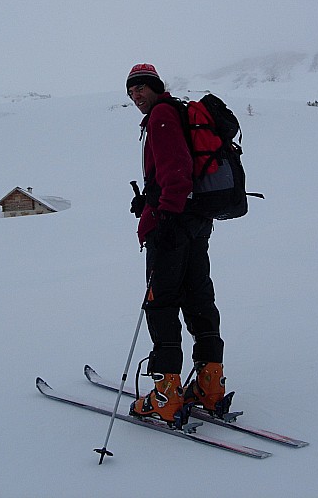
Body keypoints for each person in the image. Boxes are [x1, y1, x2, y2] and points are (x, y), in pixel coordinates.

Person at [125, 63, 228, 426]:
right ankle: (209, 385)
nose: (136, 96)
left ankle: (167, 394)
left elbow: (178, 168)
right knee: (198, 296)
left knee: (162, 302)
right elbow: (175, 171)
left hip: (173, 224)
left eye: (141, 88)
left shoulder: (162, 116)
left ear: (156, 87)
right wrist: (149, 199)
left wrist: (165, 213)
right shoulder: (178, 113)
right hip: (195, 222)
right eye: (131, 91)